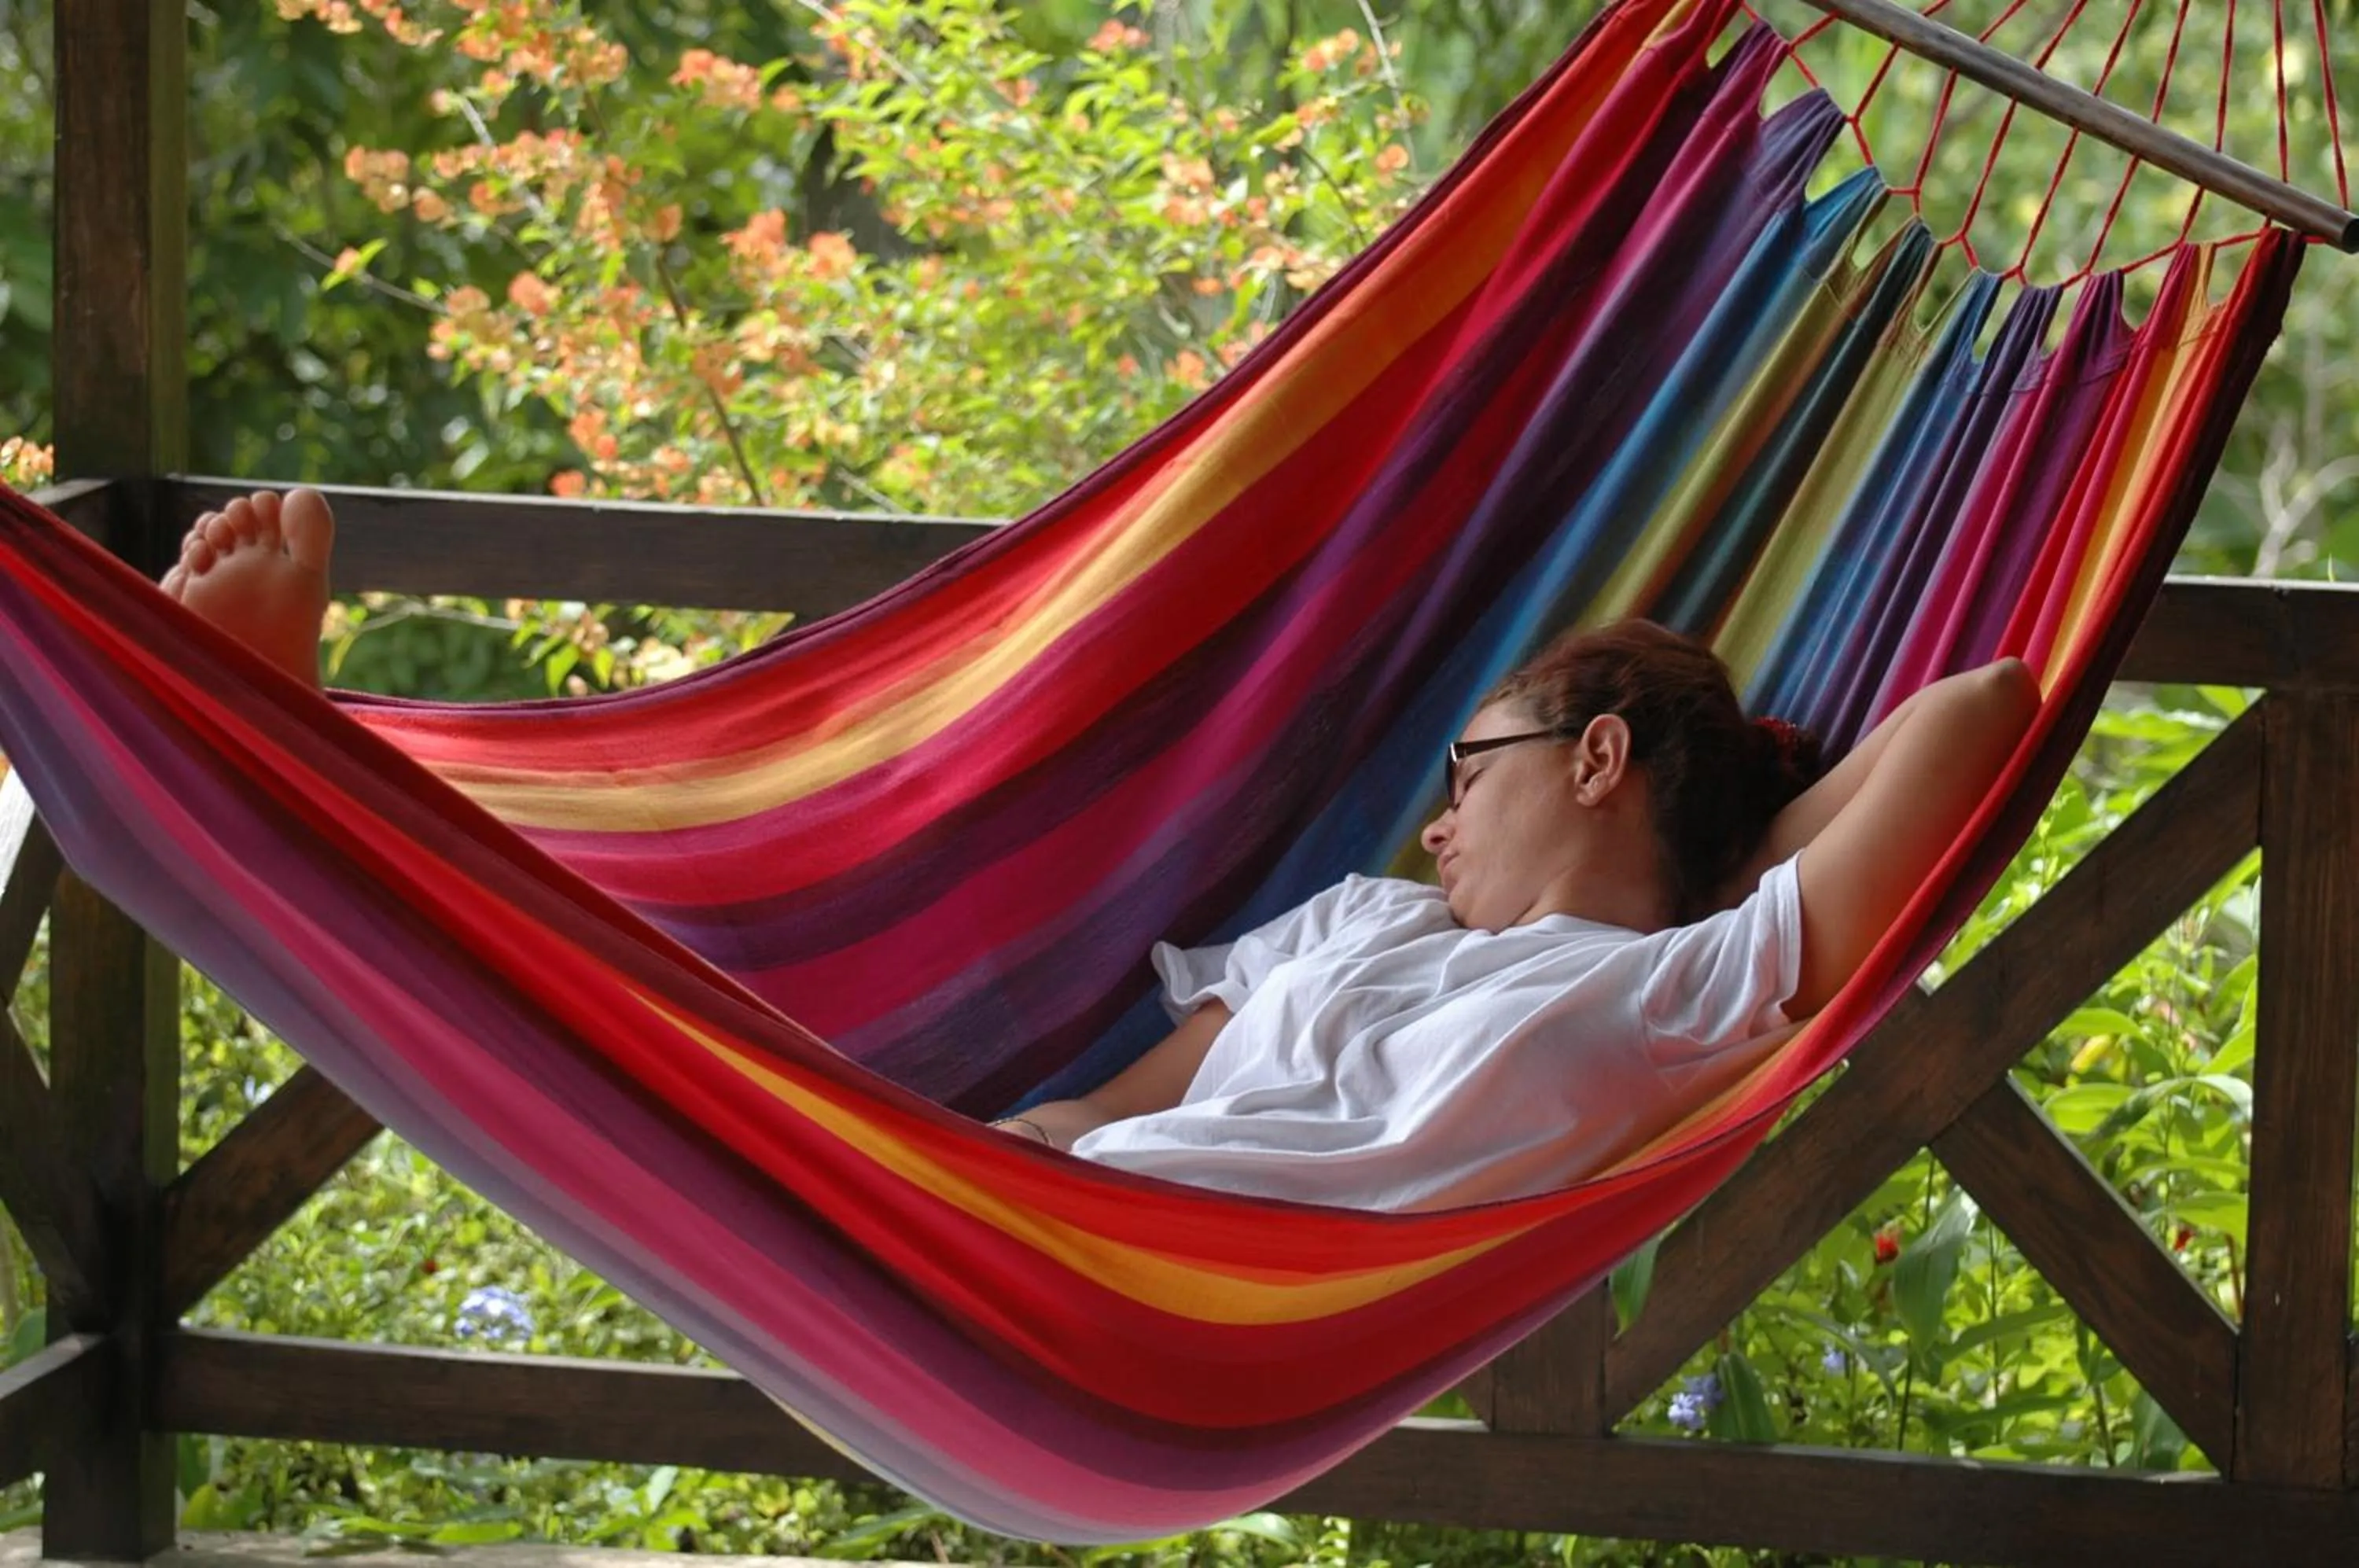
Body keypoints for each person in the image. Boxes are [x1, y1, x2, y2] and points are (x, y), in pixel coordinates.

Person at [162, 487, 2040, 1211]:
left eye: (1472, 766)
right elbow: (1101, 1113)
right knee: (659, 1000)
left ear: (1601, 756)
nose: (1438, 814)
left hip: (1172, 1310)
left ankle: (279, 767)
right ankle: (302, 765)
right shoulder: (1366, 921)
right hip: (1042, 1238)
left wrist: (1727, 843)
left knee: (612, 1045)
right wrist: (962, 1164)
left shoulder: (1680, 985)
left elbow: (1981, 706)